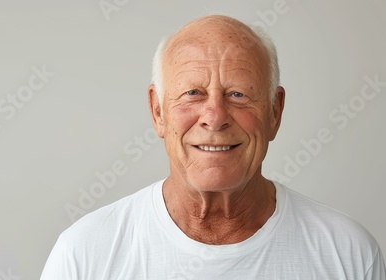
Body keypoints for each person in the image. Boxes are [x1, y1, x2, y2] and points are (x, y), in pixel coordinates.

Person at [40, 15, 386, 279]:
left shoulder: (349, 253)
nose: (215, 117)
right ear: (157, 111)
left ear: (274, 112)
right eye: (193, 93)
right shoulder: (85, 253)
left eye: (238, 94)